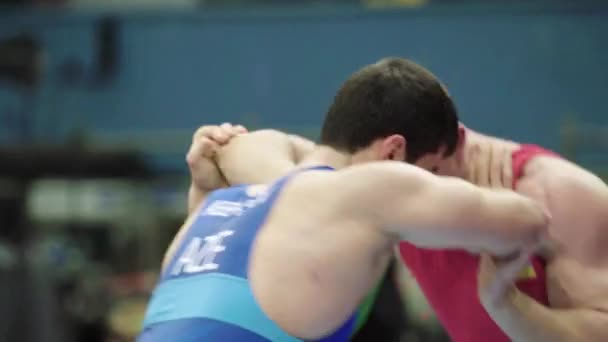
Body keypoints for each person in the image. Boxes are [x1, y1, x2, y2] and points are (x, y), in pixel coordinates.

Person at [138, 58, 548, 342]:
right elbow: (529, 221)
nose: (435, 186)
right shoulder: (373, 190)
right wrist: (489, 188)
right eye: (435, 172)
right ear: (393, 154)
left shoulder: (213, 212)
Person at [198, 100, 608, 340]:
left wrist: (508, 306)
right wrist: (221, 145)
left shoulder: (559, 194)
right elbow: (255, 147)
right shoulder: (379, 183)